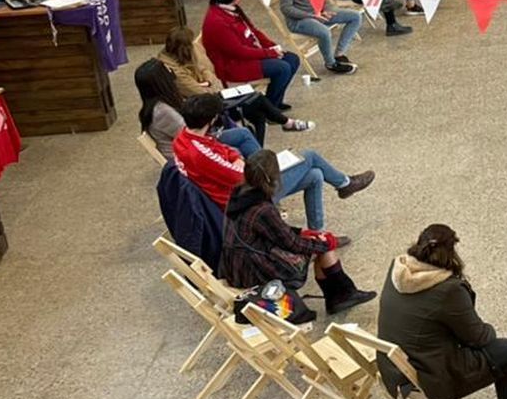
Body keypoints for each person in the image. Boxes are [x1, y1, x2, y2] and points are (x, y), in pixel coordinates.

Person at [375, 223, 507, 399]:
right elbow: (478, 337)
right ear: (452, 252)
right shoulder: (448, 289)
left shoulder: (398, 267)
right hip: (427, 378)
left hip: (393, 372)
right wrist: (489, 330)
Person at [172, 93, 373, 232]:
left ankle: (317, 232)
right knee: (309, 156)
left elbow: (224, 152)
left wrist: (237, 159)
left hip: (241, 189)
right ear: (211, 119)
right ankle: (345, 184)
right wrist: (242, 163)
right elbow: (240, 176)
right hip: (246, 199)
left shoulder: (184, 137)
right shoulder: (199, 153)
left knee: (315, 176)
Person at [221, 150, 374, 317]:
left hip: (236, 265)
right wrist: (326, 242)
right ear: (272, 178)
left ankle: (340, 295)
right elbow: (292, 244)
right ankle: (341, 295)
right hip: (254, 271)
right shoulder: (262, 209)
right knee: (322, 247)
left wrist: (303, 232)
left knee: (317, 238)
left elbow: (272, 230)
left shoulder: (239, 193)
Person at [156, 26, 309, 144]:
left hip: (213, 95)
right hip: (208, 106)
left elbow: (206, 69)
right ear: (183, 48)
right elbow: (199, 91)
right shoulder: (174, 70)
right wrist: (209, 84)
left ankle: (260, 148)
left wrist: (207, 81)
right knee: (257, 102)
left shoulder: (187, 53)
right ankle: (285, 123)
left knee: (258, 110)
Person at [200, 0, 302, 108]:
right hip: (233, 65)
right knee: (282, 68)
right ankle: (270, 107)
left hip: (250, 53)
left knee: (292, 59)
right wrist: (269, 53)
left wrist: (271, 46)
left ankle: (273, 103)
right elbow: (238, 51)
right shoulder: (217, 22)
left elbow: (253, 31)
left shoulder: (232, 9)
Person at [135, 58, 258, 161]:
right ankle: (263, 176)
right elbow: (192, 135)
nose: (171, 71)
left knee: (243, 132)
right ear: (161, 80)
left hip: (193, 144)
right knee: (241, 140)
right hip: (189, 153)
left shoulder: (164, 102)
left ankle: (263, 172)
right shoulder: (162, 112)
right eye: (166, 69)